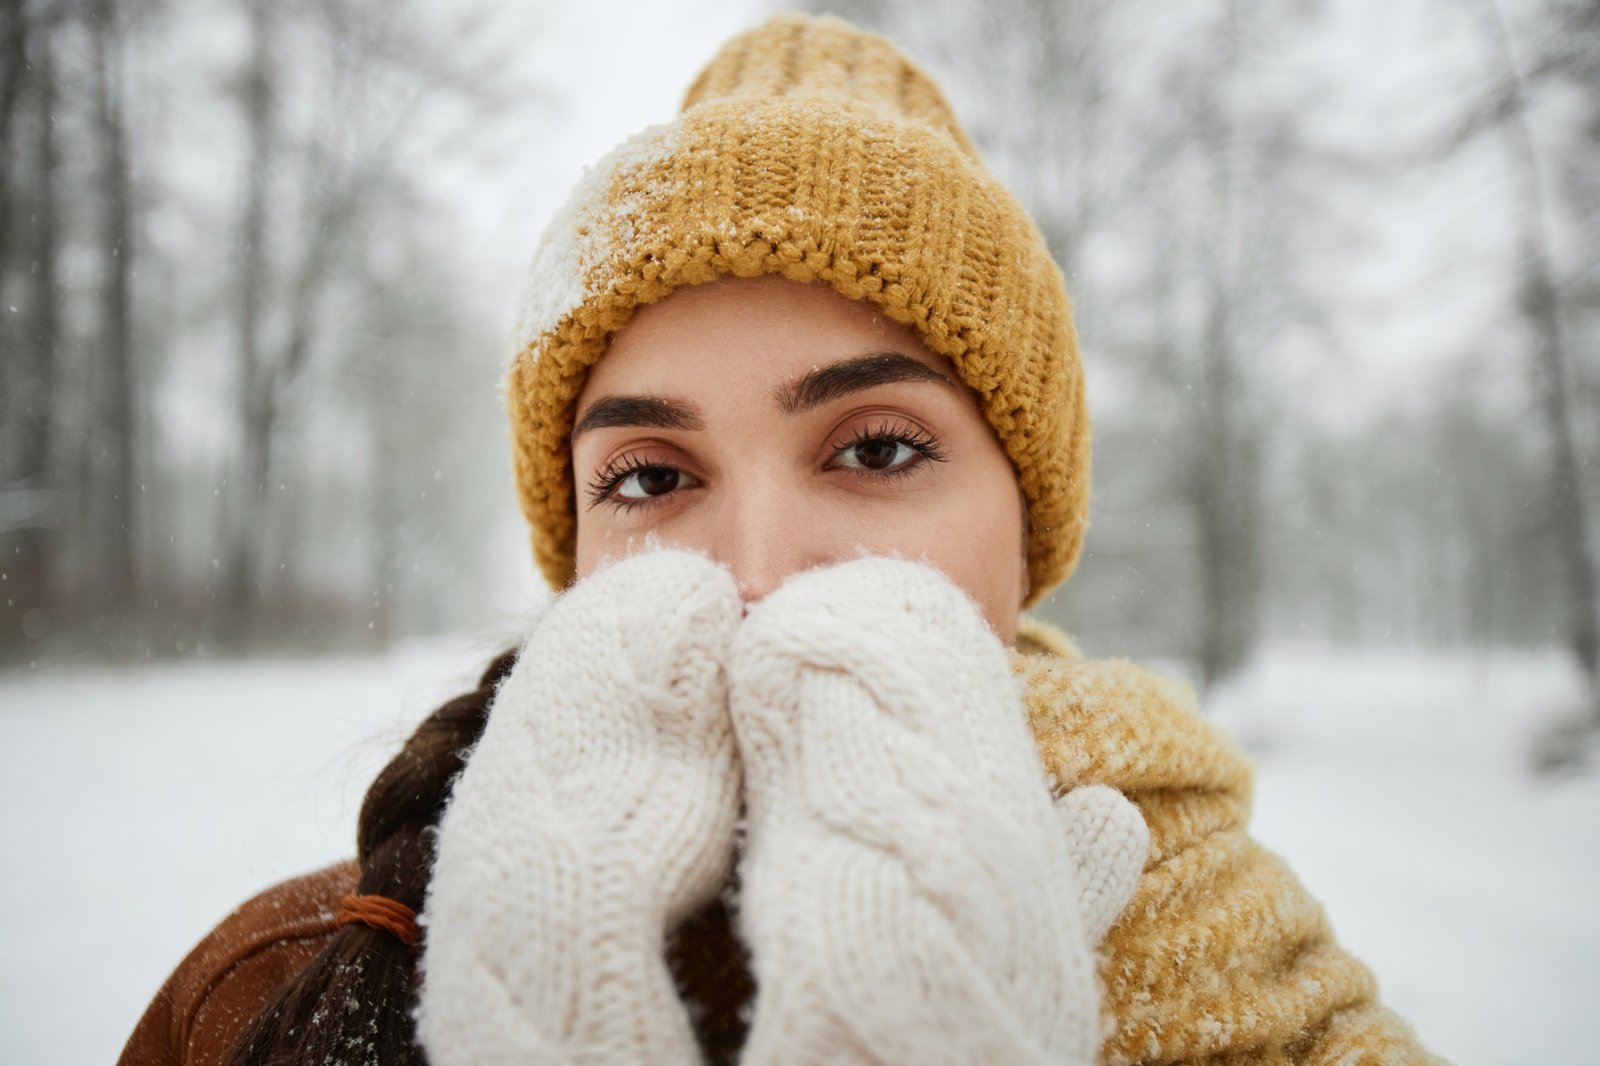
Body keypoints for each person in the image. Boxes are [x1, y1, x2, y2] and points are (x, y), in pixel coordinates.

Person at [118, 13, 1442, 1066]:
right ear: (573, 547)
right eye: (650, 474)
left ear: (1022, 532)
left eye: (876, 449)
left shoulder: (1257, 988)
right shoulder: (278, 993)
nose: (757, 571)